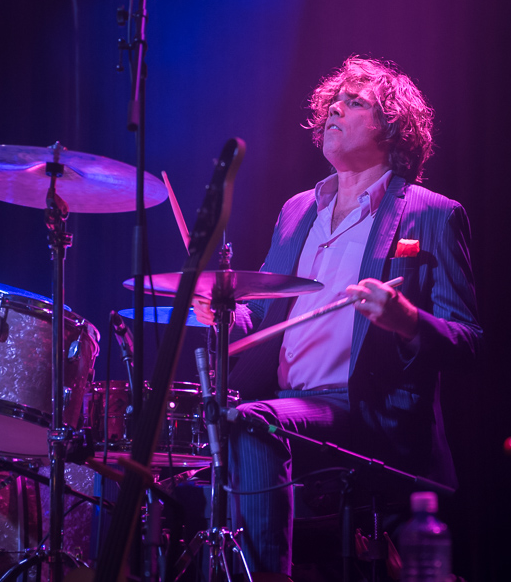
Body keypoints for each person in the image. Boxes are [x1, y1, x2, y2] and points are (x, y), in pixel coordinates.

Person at [193, 55, 481, 575]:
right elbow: (264, 318)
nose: (334, 110)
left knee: (250, 423)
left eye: (354, 103)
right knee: (196, 435)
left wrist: (406, 319)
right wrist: (223, 315)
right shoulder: (298, 210)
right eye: (333, 102)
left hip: (366, 412)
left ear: (391, 128)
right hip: (288, 404)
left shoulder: (432, 213)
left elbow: (468, 341)